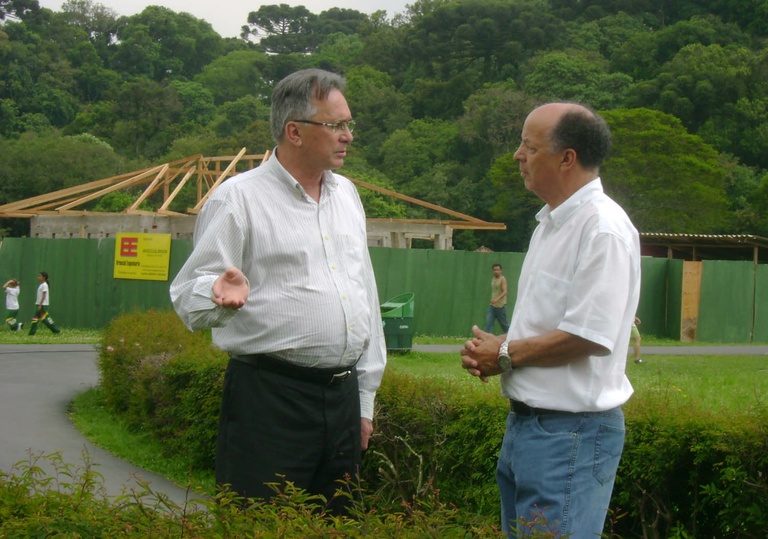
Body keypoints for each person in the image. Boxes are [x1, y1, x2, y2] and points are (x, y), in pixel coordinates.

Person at [170, 69, 386, 514]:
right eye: (336, 125)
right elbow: (186, 296)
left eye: (349, 124)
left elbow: (364, 296)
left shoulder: (347, 195)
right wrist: (215, 293)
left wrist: (363, 402)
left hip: (342, 400)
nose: (348, 136)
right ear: (295, 131)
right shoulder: (237, 199)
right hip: (269, 400)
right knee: (262, 521)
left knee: (337, 523)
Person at [461, 102, 641, 538]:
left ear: (567, 158)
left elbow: (588, 336)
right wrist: (498, 347)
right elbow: (555, 324)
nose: (518, 155)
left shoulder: (602, 229)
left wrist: (503, 353)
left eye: (528, 146)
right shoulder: (551, 224)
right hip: (531, 427)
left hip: (570, 435)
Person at [484, 263, 509, 333]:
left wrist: (496, 299)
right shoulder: (493, 279)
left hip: (501, 306)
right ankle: (486, 340)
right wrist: (493, 300)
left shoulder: (503, 279)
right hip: (492, 306)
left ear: (501, 270)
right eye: (494, 270)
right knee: (488, 324)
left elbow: (505, 291)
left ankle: (513, 338)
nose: (496, 271)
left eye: (498, 270)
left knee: (505, 325)